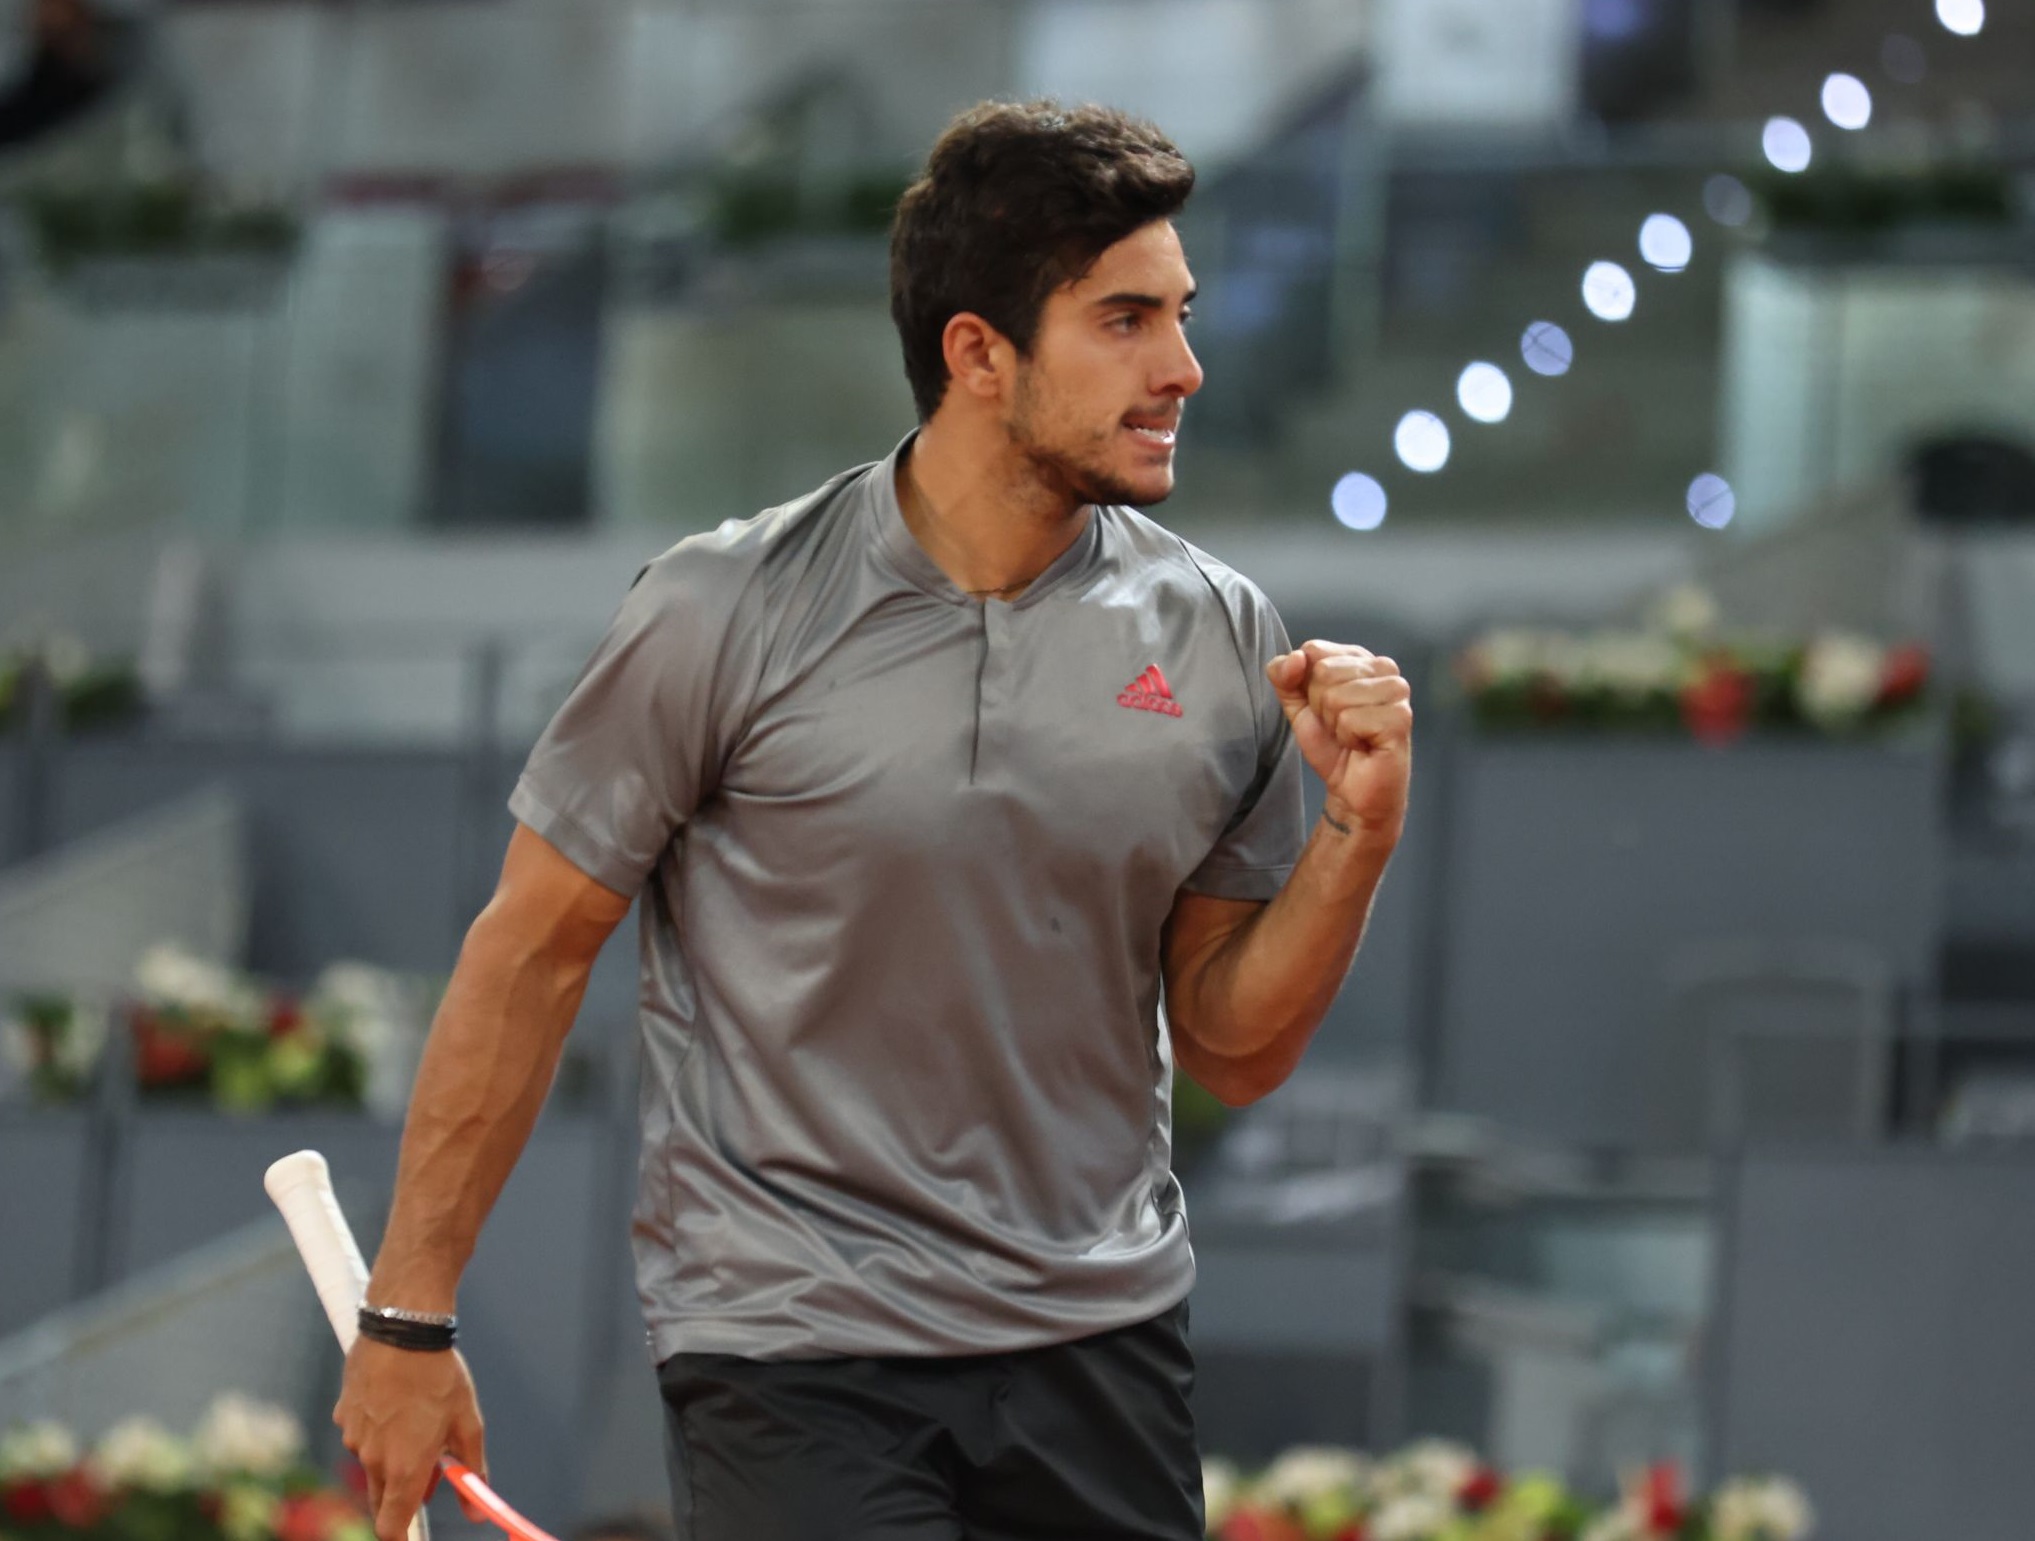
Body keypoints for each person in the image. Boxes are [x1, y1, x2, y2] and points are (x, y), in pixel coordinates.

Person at [337, 100, 1413, 1541]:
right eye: (1126, 321)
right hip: (792, 1346)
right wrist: (407, 1319)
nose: (1185, 368)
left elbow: (1235, 1042)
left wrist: (1355, 840)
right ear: (978, 353)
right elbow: (528, 952)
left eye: (1181, 315)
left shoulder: (1220, 634)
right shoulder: (720, 608)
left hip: (1105, 1340)